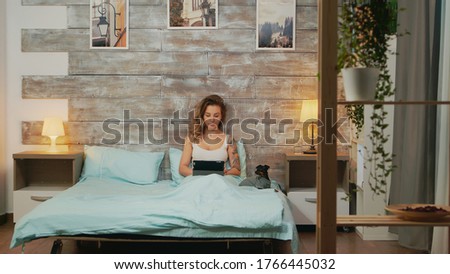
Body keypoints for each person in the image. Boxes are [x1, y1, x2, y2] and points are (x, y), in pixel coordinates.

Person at [179, 94, 241, 177]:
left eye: (216, 115)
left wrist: (226, 173)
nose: (212, 119)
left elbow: (237, 169)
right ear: (202, 116)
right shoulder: (191, 138)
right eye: (208, 115)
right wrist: (201, 174)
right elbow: (182, 168)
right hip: (197, 181)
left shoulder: (229, 139)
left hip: (219, 180)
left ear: (221, 116)